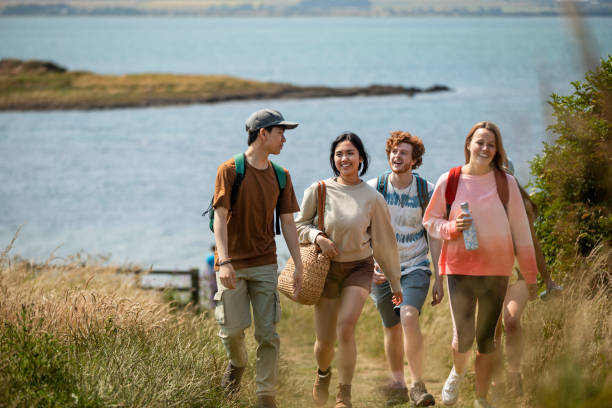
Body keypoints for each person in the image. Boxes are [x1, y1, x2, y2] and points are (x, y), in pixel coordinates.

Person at [422, 121, 538, 408]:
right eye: (480, 142)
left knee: (487, 339)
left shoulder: (506, 183)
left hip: (497, 270)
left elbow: (522, 231)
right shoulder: (449, 180)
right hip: (459, 267)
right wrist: (452, 227)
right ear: (468, 145)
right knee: (463, 337)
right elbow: (430, 221)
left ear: (496, 150)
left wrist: (531, 275)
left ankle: (481, 398)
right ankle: (458, 372)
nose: (485, 148)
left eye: (491, 144)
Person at [295, 132, 403, 408]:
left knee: (345, 326)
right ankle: (323, 373)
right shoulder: (318, 190)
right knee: (325, 341)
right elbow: (298, 227)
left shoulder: (372, 197)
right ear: (334, 159)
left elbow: (385, 243)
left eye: (350, 153)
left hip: (359, 267)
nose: (345, 158)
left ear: (361, 159)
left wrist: (395, 282)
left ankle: (344, 394)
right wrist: (318, 237)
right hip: (325, 269)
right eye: (339, 154)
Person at [212, 108, 304, 408]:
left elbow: (289, 223)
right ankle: (237, 366)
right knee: (232, 332)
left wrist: (299, 264)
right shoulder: (229, 169)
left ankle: (266, 394)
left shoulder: (282, 175)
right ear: (262, 133)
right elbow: (220, 218)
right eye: (280, 132)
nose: (284, 139)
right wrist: (224, 261)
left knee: (268, 334)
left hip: (265, 264)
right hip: (232, 266)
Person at [367, 131, 442, 407]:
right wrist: (367, 264)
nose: (397, 157)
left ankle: (417, 385)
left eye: (403, 153)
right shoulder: (375, 187)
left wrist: (439, 278)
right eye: (394, 152)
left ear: (414, 160)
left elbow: (434, 235)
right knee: (393, 327)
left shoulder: (427, 190)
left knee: (409, 317)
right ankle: (397, 383)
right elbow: (362, 228)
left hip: (415, 268)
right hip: (382, 270)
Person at [492, 159, 562, 397]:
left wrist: (546, 279)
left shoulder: (523, 205)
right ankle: (496, 381)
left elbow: (533, 244)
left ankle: (514, 374)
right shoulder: (481, 203)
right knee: (493, 330)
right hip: (489, 273)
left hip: (518, 273)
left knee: (510, 321)